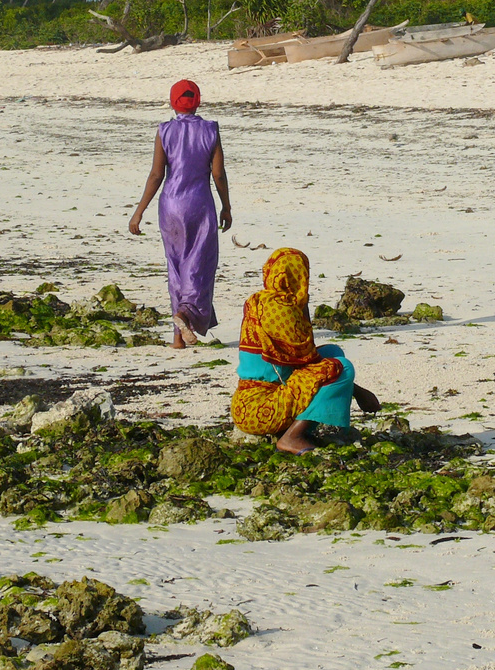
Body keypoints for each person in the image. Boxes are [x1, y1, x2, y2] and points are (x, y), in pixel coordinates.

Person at [233, 247, 381, 454]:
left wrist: (302, 307)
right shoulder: (278, 309)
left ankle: (298, 427)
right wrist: (359, 392)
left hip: (253, 401)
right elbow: (307, 358)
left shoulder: (260, 300)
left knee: (332, 351)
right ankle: (292, 437)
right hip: (259, 409)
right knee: (342, 367)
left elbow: (307, 350)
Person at [129, 80, 232, 349]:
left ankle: (178, 338)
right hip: (199, 204)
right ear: (197, 101)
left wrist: (139, 212)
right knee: (199, 265)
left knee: (176, 266)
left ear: (173, 101)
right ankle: (186, 314)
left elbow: (156, 174)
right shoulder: (210, 130)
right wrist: (226, 206)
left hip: (171, 205)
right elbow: (218, 173)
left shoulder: (165, 131)